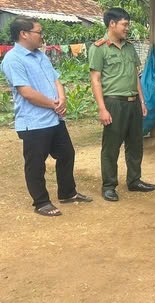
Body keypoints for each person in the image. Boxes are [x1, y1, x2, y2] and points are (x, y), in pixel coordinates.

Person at [1, 17, 92, 216]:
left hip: (54, 118)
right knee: (36, 163)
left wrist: (62, 98)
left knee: (66, 153)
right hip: (33, 122)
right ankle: (41, 202)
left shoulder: (40, 55)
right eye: (38, 32)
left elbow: (56, 78)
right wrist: (54, 104)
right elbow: (26, 92)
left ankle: (68, 193)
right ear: (24, 34)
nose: (42, 36)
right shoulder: (13, 59)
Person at [89, 7, 155, 202]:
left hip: (133, 102)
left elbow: (135, 75)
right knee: (111, 146)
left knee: (136, 144)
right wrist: (102, 108)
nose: (127, 28)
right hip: (113, 103)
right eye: (124, 25)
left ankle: (134, 180)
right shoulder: (99, 48)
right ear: (112, 24)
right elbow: (96, 80)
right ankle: (109, 185)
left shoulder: (129, 47)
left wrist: (142, 101)